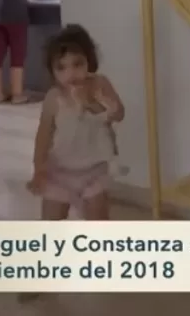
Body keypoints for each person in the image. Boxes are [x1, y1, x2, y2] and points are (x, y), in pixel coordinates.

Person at [26, 25, 125, 221]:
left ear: (90, 61)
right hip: (58, 172)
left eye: (78, 64)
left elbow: (119, 114)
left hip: (95, 170)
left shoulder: (100, 85)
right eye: (61, 67)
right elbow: (43, 135)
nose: (70, 73)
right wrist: (38, 168)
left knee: (98, 223)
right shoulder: (54, 97)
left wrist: (90, 103)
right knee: (51, 223)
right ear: (52, 71)